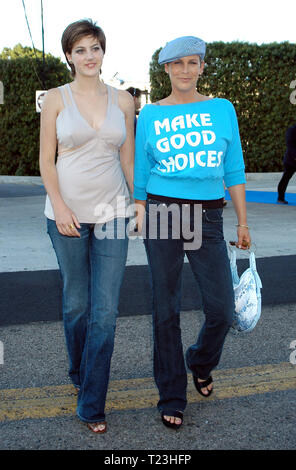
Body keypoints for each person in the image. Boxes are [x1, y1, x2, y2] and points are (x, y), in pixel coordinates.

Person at [134, 36, 251, 430]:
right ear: (165, 69)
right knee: (165, 309)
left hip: (208, 216)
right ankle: (171, 394)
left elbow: (233, 168)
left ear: (202, 67)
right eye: (177, 63)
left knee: (222, 309)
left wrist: (243, 220)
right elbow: (141, 171)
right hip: (162, 212)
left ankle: (200, 361)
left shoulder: (222, 109)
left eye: (193, 62)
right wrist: (139, 209)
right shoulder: (149, 114)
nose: (185, 69)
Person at [39, 19, 134, 433]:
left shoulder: (125, 101)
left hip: (113, 212)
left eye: (94, 48)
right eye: (80, 50)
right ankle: (79, 372)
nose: (89, 56)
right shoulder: (56, 99)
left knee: (106, 311)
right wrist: (59, 206)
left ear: (103, 52)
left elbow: (128, 160)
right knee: (77, 305)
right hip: (67, 215)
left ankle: (92, 400)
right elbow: (46, 160)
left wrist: (141, 204)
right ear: (69, 57)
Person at [277, 124, 296, 204]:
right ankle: (280, 198)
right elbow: (290, 145)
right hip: (291, 160)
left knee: (285, 178)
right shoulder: (292, 130)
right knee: (285, 178)